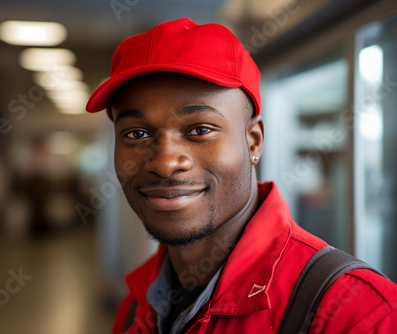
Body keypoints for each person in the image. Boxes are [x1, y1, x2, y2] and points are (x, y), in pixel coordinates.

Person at [86, 18, 397, 333]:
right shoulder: (137, 307)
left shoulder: (358, 314)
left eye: (200, 129)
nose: (165, 163)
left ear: (253, 141)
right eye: (137, 134)